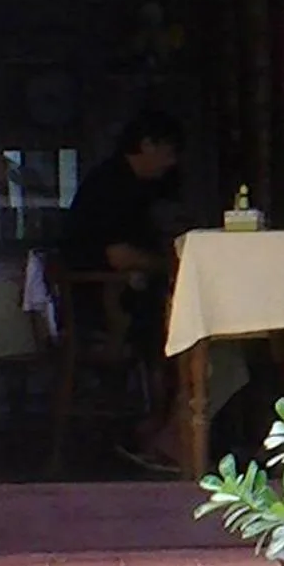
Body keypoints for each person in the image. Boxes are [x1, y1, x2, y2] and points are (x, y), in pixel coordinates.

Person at [60, 110, 184, 470]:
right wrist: (172, 267)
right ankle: (161, 433)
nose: (172, 163)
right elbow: (118, 255)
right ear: (148, 145)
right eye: (170, 152)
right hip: (103, 303)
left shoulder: (136, 186)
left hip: (125, 294)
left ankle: (166, 431)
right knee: (181, 334)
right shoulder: (113, 186)